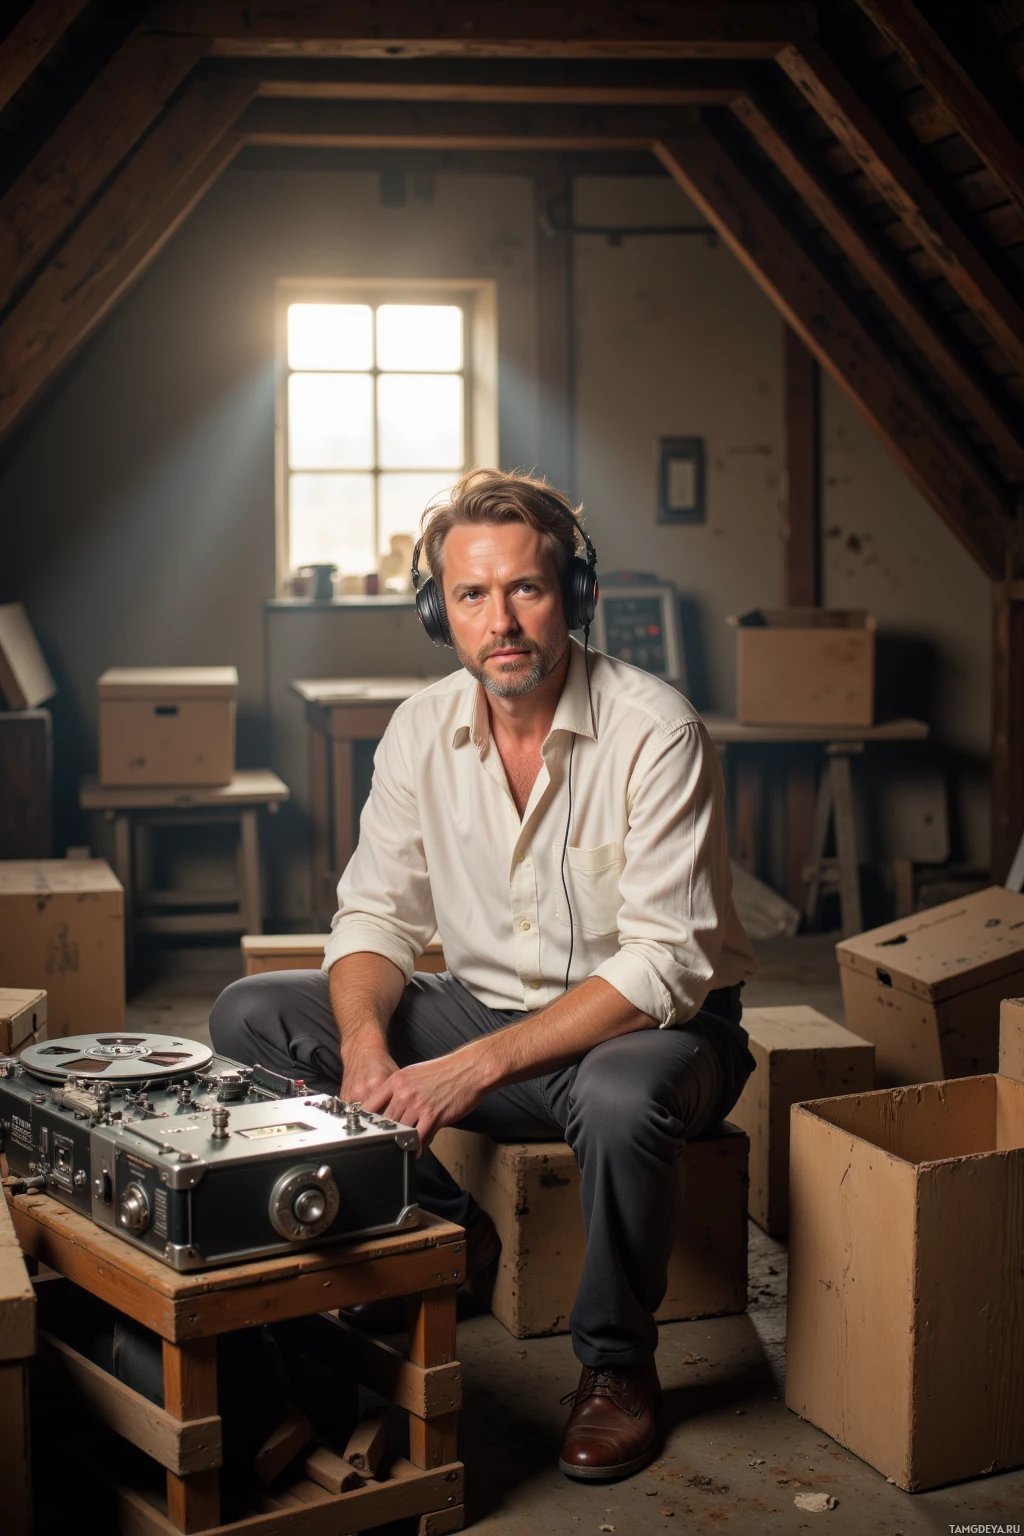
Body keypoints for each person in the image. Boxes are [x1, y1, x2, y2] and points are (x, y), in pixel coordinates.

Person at [211, 468, 756, 1481]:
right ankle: (445, 1232)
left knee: (620, 1088)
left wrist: (469, 1070)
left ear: (574, 597)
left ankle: (617, 1371)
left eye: (526, 590)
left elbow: (666, 963)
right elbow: (375, 913)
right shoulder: (421, 731)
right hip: (482, 1011)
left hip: (652, 1035)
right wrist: (372, 1047)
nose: (499, 620)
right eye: (470, 595)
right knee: (253, 1015)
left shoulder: (656, 730)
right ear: (438, 612)